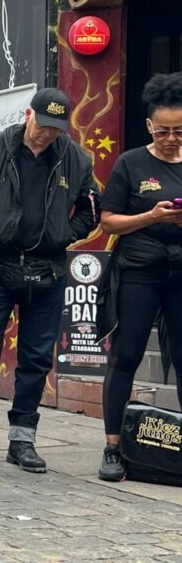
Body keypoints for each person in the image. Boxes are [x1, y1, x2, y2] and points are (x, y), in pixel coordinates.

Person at [0, 87, 99, 473]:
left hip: (49, 270)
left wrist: (65, 234)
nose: (46, 134)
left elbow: (92, 208)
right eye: (42, 125)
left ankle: (22, 439)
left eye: (55, 129)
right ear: (28, 115)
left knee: (36, 359)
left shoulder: (76, 159)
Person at [97, 73, 182, 481]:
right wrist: (151, 216)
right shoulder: (130, 163)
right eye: (163, 131)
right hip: (139, 272)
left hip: (180, 273)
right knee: (126, 356)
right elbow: (108, 221)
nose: (171, 139)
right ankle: (113, 448)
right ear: (149, 125)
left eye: (179, 131)